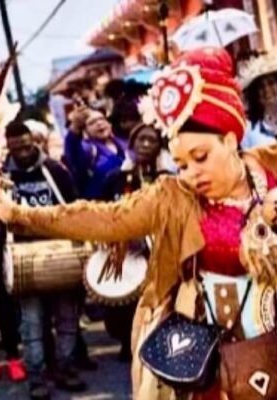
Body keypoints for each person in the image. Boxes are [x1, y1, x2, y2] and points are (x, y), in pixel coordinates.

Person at [0, 48, 277, 399]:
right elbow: (101, 218)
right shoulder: (174, 197)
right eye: (182, 162)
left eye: (201, 156)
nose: (191, 173)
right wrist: (17, 213)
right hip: (227, 361)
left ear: (230, 138)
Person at [0, 120, 86, 400]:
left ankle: (65, 369)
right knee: (31, 324)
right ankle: (37, 378)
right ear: (9, 147)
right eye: (16, 148)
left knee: (67, 319)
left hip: (61, 250)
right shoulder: (2, 177)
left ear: (34, 141)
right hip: (23, 258)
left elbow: (76, 207)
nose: (23, 151)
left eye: (26, 145)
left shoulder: (55, 170)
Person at [99, 124, 173, 362]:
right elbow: (102, 211)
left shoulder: (167, 181)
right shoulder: (115, 178)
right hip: (124, 251)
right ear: (131, 145)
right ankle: (128, 342)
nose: (145, 144)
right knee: (123, 303)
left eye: (151, 140)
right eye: (141, 139)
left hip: (158, 252)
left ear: (159, 147)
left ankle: (157, 342)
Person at [64, 108, 126, 200]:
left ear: (109, 124)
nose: (99, 123)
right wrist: (74, 128)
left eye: (102, 119)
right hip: (101, 207)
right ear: (85, 131)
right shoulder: (87, 149)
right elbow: (73, 152)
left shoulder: (124, 143)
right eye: (92, 122)